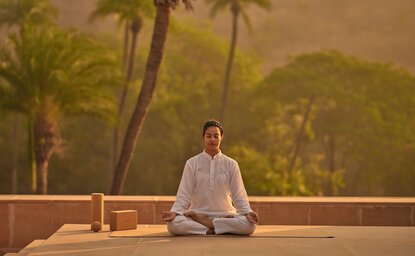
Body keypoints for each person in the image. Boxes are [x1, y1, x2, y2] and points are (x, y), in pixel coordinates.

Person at [162, 120, 258, 235]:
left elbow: (238, 194)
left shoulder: (231, 164)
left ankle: (208, 226)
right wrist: (175, 212)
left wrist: (247, 212)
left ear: (221, 137)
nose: (212, 139)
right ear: (203, 137)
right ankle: (218, 228)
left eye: (216, 136)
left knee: (249, 226)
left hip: (225, 215)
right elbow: (184, 193)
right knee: (173, 225)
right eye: (208, 136)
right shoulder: (192, 163)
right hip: (197, 214)